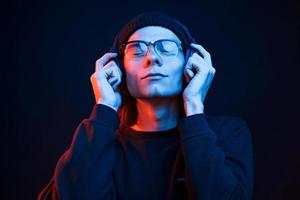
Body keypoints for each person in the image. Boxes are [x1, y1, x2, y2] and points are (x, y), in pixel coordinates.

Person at [38, 11, 254, 200]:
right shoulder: (97, 142)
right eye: (136, 50)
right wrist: (104, 107)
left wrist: (194, 106)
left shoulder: (227, 133)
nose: (151, 58)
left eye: (167, 48)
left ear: (190, 63)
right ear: (120, 70)